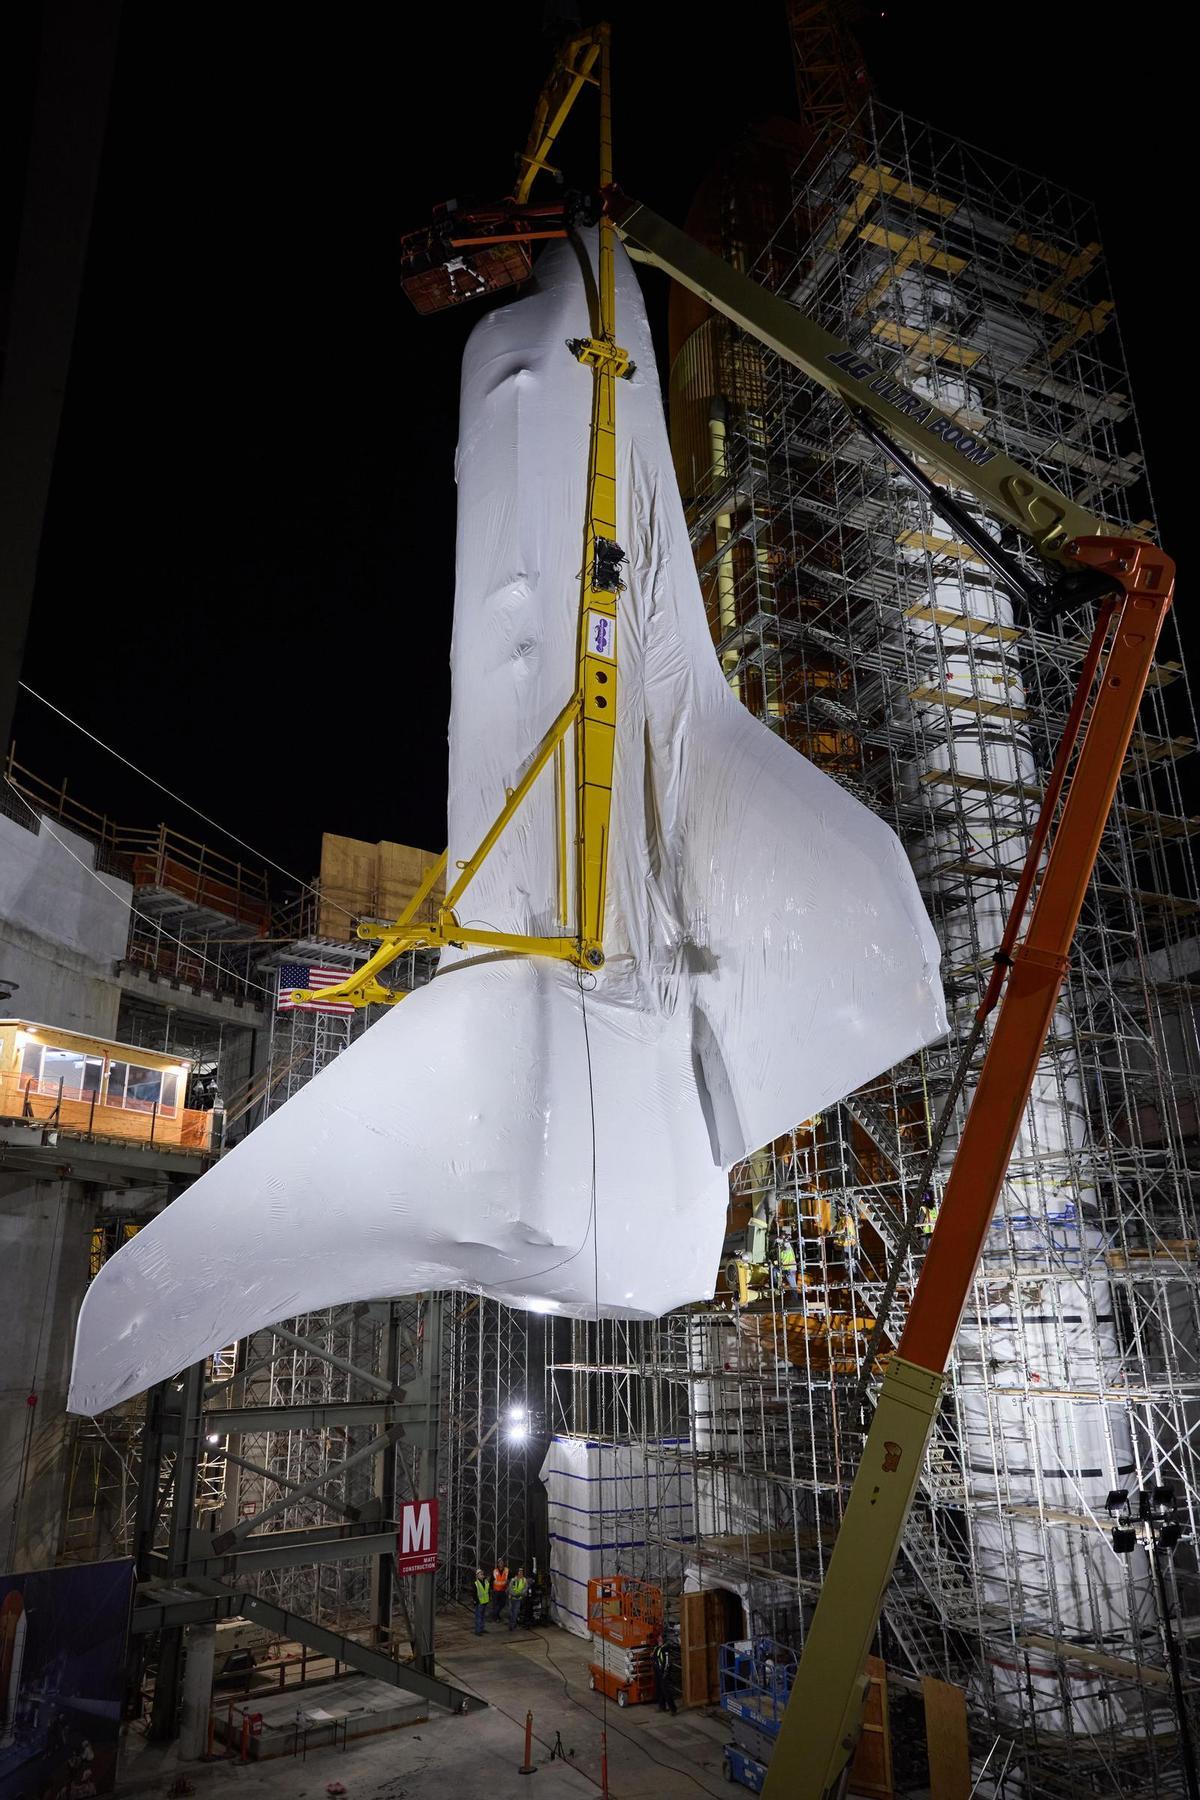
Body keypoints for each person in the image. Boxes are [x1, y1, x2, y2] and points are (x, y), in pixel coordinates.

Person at [652, 1633, 677, 1714]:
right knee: (659, 1690)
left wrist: (665, 1672)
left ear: (662, 1639)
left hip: (663, 1672)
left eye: (659, 1637)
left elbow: (666, 1662)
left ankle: (673, 1709)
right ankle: (662, 1707)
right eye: (658, 1637)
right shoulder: (656, 1647)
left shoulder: (665, 1648)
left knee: (666, 1691)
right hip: (657, 1672)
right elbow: (654, 1657)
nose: (658, 1638)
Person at [508, 1565, 528, 1630]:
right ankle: (512, 1624)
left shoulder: (524, 1580)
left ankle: (512, 1625)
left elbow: (525, 1588)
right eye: (520, 1572)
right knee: (511, 1612)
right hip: (512, 1598)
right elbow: (510, 1589)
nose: (521, 1573)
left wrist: (520, 1594)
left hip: (518, 1599)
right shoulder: (513, 1580)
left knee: (515, 1612)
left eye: (522, 1572)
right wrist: (515, 1594)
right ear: (517, 1573)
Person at [473, 1567, 490, 1634]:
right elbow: (474, 1594)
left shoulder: (486, 1582)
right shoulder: (476, 1583)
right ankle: (478, 1631)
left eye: (482, 1573)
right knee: (478, 1617)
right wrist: (476, 1601)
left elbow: (487, 1591)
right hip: (479, 1603)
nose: (482, 1575)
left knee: (482, 1617)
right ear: (477, 1576)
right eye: (480, 1574)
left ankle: (482, 1629)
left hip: (485, 1601)